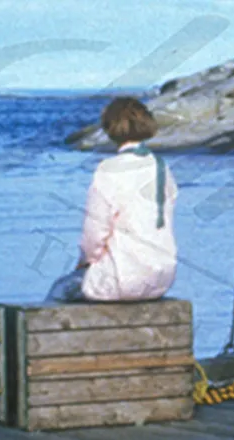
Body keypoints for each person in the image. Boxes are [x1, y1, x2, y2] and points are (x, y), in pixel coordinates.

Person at [47, 97, 178, 303]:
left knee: (60, 290)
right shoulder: (161, 167)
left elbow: (95, 234)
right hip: (161, 279)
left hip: (122, 278)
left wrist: (85, 262)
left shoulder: (109, 170)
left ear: (110, 129)